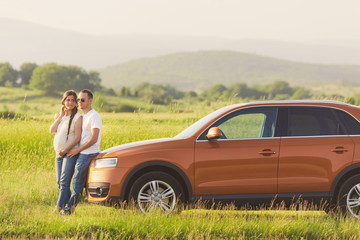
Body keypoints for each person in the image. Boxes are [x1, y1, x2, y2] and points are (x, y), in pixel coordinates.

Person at [62, 89, 102, 215]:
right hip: (82, 153)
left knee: (77, 183)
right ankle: (67, 206)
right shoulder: (83, 116)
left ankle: (68, 210)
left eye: (82, 100)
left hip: (88, 153)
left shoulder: (94, 116)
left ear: (90, 101)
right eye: (78, 99)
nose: (79, 102)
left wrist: (77, 150)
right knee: (77, 182)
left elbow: (94, 138)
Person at [49, 90, 82, 213]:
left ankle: (58, 208)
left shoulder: (78, 117)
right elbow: (52, 130)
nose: (70, 102)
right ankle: (69, 207)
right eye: (68, 100)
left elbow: (77, 137)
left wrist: (65, 150)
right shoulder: (60, 117)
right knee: (60, 183)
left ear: (76, 103)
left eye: (73, 100)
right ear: (63, 101)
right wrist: (60, 117)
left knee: (64, 182)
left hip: (69, 154)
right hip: (59, 154)